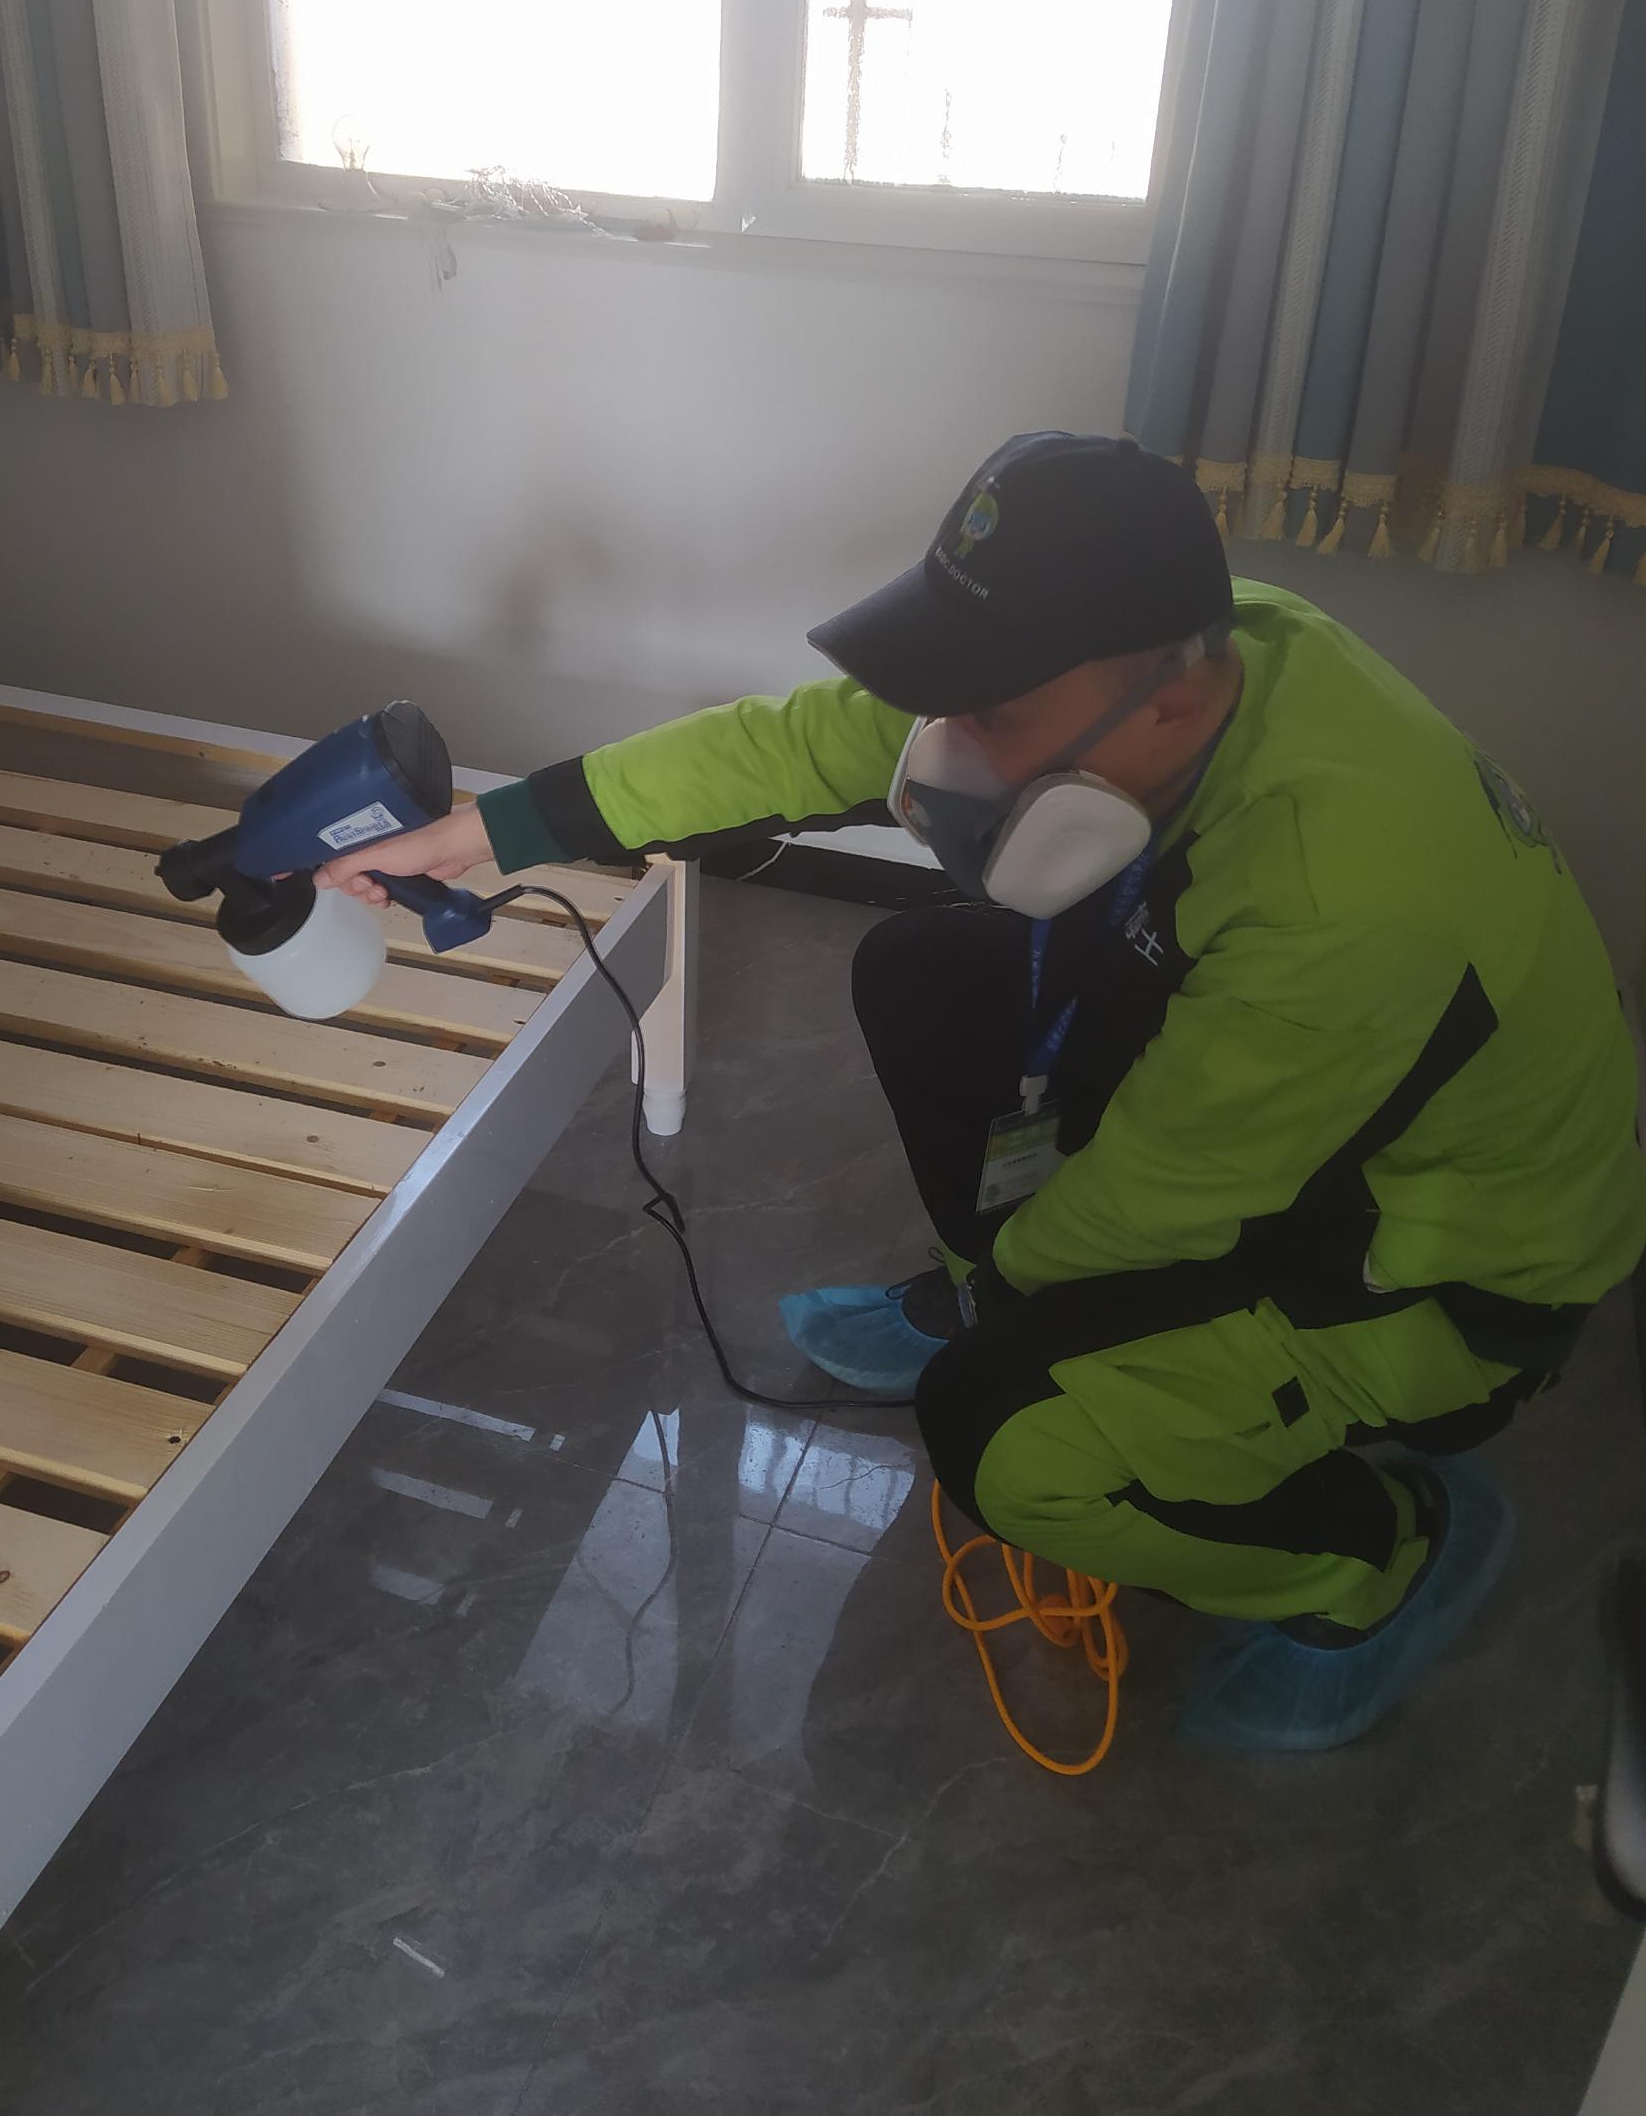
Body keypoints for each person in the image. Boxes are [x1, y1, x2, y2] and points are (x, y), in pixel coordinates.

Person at [319, 433, 1646, 1751]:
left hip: (1434, 1274)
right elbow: (800, 745)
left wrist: (1009, 1325)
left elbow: (1166, 1199)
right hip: (1291, 1106)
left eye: (989, 720)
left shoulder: (1343, 897)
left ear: (1173, 707)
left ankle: (1369, 1556)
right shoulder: (1210, 643)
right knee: (928, 974)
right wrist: (494, 831)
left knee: (1001, 1435)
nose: (944, 748)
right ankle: (1001, 1299)